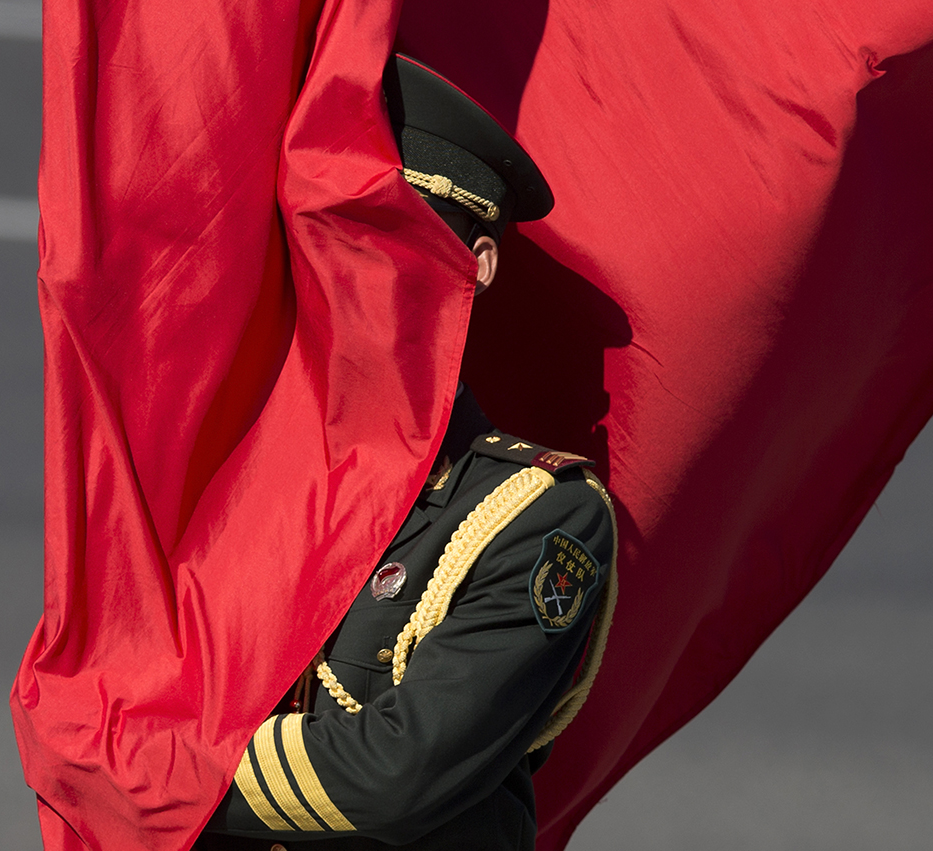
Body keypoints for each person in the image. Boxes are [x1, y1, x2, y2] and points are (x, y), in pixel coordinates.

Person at [195, 54, 617, 851]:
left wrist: (154, 766)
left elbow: (396, 773)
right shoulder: (239, 463)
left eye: (391, 234)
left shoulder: (540, 519)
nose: (352, 268)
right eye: (331, 233)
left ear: (476, 264)